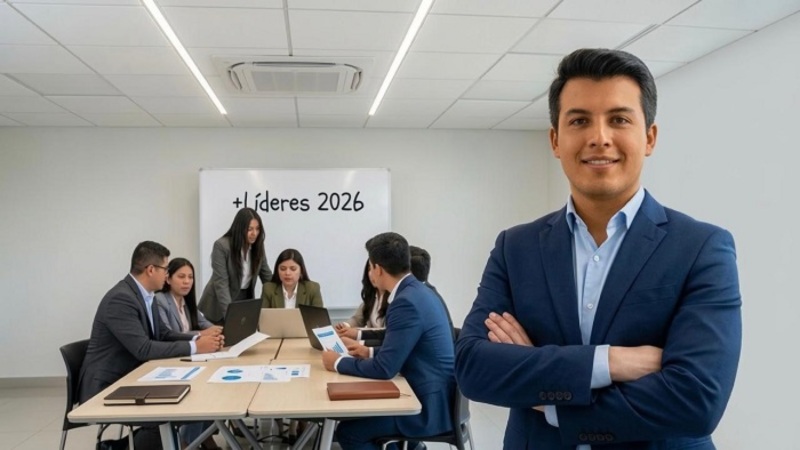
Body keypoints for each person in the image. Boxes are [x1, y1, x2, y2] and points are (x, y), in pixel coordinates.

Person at [455, 48, 742, 449]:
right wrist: (611, 362)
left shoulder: (701, 248)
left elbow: (696, 400)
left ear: (649, 138)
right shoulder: (515, 247)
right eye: (579, 121)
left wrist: (549, 400)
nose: (599, 137)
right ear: (556, 140)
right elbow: (474, 368)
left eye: (619, 119)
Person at [78, 241, 223, 448]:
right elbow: (143, 349)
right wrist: (196, 348)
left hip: (134, 374)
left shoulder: (148, 296)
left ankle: (123, 445)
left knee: (194, 395)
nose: (167, 275)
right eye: (166, 269)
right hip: (108, 385)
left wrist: (197, 340)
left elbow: (163, 334)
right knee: (166, 414)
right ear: (151, 270)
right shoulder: (121, 299)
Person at [322, 232, 455, 450]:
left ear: (378, 269)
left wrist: (337, 362)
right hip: (438, 398)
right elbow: (404, 344)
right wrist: (368, 351)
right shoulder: (419, 291)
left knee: (349, 433)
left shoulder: (405, 302)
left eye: (370, 267)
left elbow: (385, 369)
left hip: (428, 409)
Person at [155, 257, 222, 450]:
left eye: (190, 277)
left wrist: (219, 331)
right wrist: (201, 334)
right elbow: (167, 334)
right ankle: (187, 442)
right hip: (172, 361)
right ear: (168, 279)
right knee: (201, 390)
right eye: (181, 276)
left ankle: (204, 437)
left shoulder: (187, 302)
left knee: (215, 384)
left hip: (191, 360)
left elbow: (206, 324)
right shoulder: (161, 301)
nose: (187, 282)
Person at [198, 207, 271, 324]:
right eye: (250, 229)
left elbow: (267, 277)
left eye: (257, 229)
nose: (254, 233)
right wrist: (231, 316)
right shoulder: (222, 246)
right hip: (218, 304)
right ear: (240, 228)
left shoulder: (258, 247)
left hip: (243, 301)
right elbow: (221, 284)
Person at [335, 259, 389, 335]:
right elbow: (357, 319)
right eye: (369, 269)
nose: (371, 274)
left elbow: (386, 332)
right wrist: (345, 326)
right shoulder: (372, 297)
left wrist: (357, 335)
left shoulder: (394, 298)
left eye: (374, 269)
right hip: (369, 340)